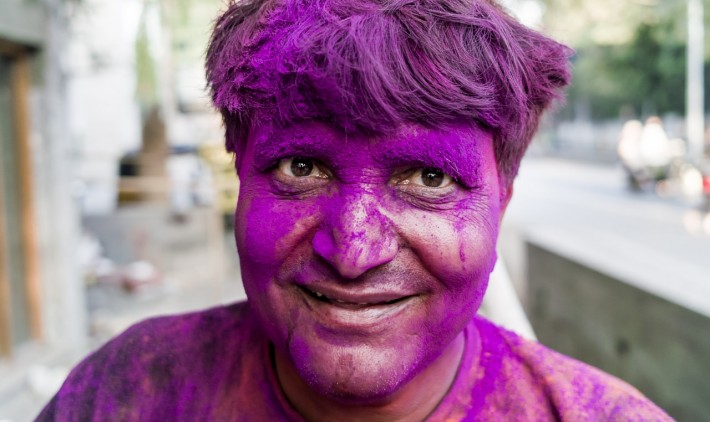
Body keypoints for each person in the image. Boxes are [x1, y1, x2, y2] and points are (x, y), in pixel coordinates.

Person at [37, 0, 672, 420]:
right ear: (241, 178)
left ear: (502, 200)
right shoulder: (126, 391)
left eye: (429, 176)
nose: (352, 251)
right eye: (301, 168)